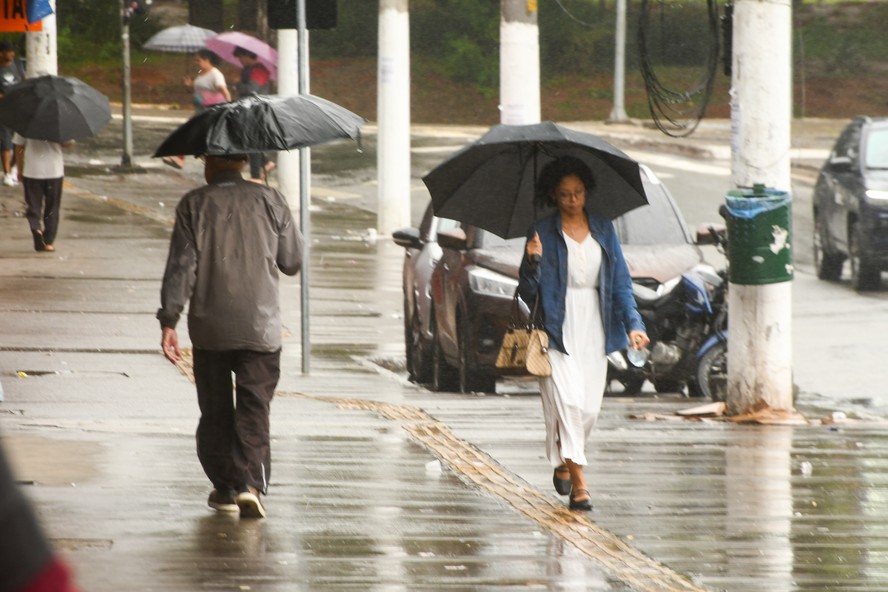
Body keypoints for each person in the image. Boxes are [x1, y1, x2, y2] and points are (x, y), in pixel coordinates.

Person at [157, 153, 304, 519]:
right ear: (242, 160)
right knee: (255, 407)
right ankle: (250, 485)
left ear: (208, 161)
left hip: (210, 328)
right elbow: (292, 261)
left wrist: (169, 320)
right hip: (261, 327)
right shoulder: (271, 200)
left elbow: (182, 267)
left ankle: (224, 486)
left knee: (215, 410)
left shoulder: (194, 203)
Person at [517, 156, 650, 512]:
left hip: (595, 324)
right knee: (570, 404)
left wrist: (635, 324)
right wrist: (532, 263)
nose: (573, 200)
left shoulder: (604, 229)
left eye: (577, 193)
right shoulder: (541, 232)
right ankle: (580, 486)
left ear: (586, 192)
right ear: (553, 196)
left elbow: (621, 282)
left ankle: (566, 457)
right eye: (564, 195)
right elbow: (527, 293)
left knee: (588, 409)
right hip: (556, 331)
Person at [162, 49, 230, 170]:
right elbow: (198, 89)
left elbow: (224, 91)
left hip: (211, 111)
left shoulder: (215, 74)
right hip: (200, 109)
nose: (196, 62)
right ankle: (191, 159)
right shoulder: (201, 73)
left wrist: (228, 108)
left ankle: (183, 158)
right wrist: (189, 85)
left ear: (207, 59)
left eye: (198, 60)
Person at [13, 133, 73, 252]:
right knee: (52, 207)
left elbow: (19, 147)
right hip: (54, 171)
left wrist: (20, 168)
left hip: (32, 171)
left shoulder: (25, 120)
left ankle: (36, 228)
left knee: (33, 205)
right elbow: (68, 144)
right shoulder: (58, 121)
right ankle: (48, 242)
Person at [232, 46, 274, 183]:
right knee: (247, 140)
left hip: (257, 110)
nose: (240, 61)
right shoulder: (247, 71)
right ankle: (265, 163)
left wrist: (238, 84)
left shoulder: (259, 71)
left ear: (247, 55)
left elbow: (252, 89)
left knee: (253, 142)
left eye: (241, 57)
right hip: (248, 108)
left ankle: (256, 176)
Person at [0, 40, 25, 186]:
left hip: (18, 108)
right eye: (9, 51)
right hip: (3, 110)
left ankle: (15, 167)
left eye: (13, 51)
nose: (12, 54)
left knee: (20, 142)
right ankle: (7, 173)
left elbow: (24, 81)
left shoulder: (17, 65)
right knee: (6, 142)